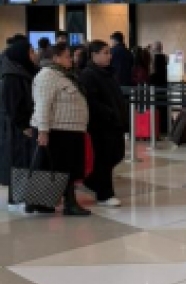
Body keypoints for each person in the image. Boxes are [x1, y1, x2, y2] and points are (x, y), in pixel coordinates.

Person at [30, 40, 91, 216]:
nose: (71, 59)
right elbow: (42, 105)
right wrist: (43, 131)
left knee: (68, 169)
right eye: (67, 56)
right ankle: (63, 203)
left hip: (69, 131)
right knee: (60, 169)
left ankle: (58, 202)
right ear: (55, 58)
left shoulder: (63, 75)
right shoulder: (47, 75)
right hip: (57, 131)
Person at [78, 40, 128, 208]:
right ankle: (104, 193)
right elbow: (91, 101)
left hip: (113, 123)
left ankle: (94, 182)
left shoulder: (107, 73)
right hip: (100, 125)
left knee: (116, 154)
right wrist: (109, 113)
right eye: (105, 53)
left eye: (109, 52)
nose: (109, 56)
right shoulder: (88, 75)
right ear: (94, 55)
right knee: (103, 159)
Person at [0, 36, 37, 209]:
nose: (34, 54)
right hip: (17, 128)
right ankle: (17, 199)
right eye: (31, 51)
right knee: (19, 161)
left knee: (25, 160)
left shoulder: (24, 71)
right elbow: (13, 105)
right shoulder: (12, 76)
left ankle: (24, 196)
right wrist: (23, 126)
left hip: (23, 125)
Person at [150, 41, 169, 140]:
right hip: (163, 86)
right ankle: (164, 127)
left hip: (155, 86)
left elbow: (152, 73)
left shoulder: (153, 58)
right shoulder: (165, 57)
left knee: (155, 107)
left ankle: (156, 127)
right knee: (163, 107)